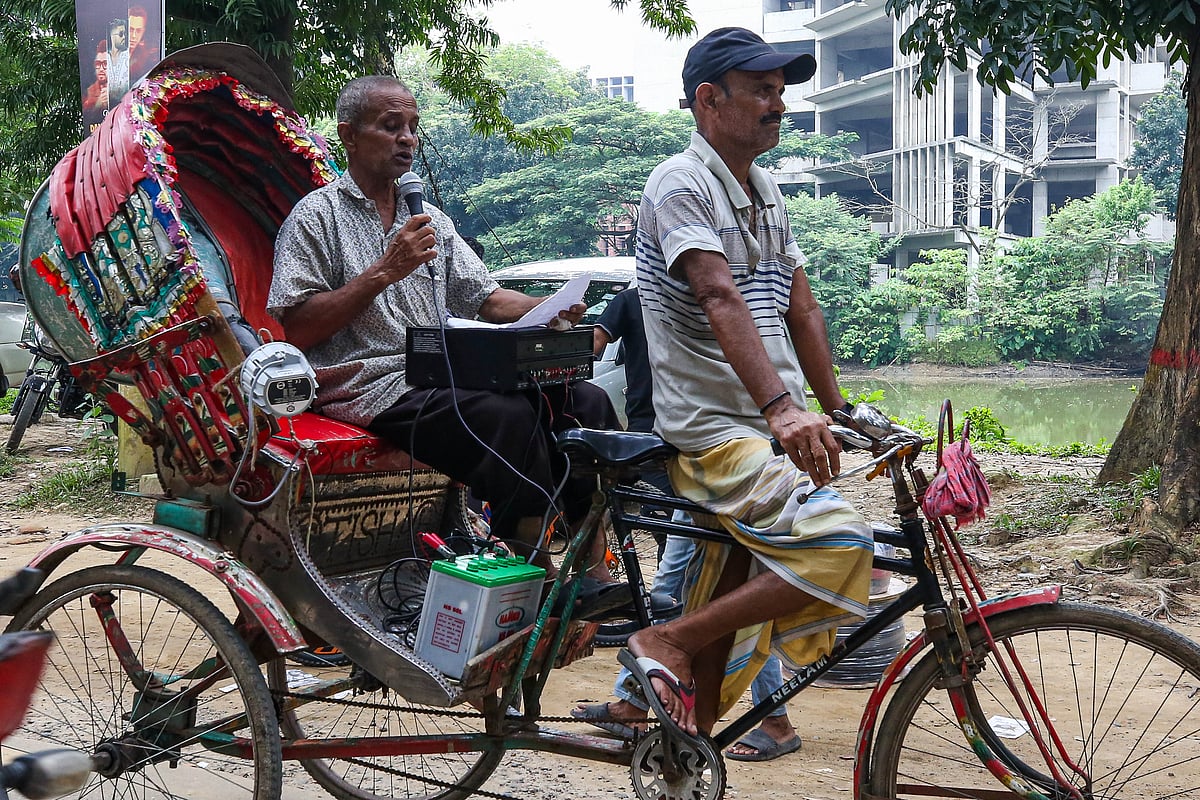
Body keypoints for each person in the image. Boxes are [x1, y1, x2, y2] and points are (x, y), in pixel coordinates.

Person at [267, 75, 625, 616]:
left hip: (439, 372)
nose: (407, 139)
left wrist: (550, 308)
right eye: (391, 127)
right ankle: (534, 573)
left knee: (587, 403)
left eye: (412, 127)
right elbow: (297, 325)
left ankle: (592, 568)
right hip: (370, 386)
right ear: (349, 136)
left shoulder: (430, 218)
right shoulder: (315, 217)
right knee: (505, 417)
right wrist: (386, 270)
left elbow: (484, 297)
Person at [625, 27, 874, 739]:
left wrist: (839, 408)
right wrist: (781, 408)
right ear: (709, 99)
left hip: (765, 429)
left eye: (780, 91)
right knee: (842, 541)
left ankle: (689, 752)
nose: (778, 105)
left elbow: (801, 304)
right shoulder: (680, 183)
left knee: (722, 592)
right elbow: (718, 295)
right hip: (717, 432)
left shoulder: (762, 189)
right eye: (761, 90)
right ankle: (662, 643)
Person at [576, 286, 801, 761]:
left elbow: (591, 346)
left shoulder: (685, 300)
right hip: (698, 448)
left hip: (695, 453)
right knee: (690, 579)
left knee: (703, 578)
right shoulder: (696, 301)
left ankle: (769, 718)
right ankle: (639, 700)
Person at [127, 6, 157, 83]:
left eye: (138, 31)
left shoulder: (148, 58)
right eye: (130, 30)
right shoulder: (112, 53)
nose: (133, 35)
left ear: (143, 31)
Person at [82, 49, 110, 124]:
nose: (101, 69)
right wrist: (98, 104)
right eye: (98, 64)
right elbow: (87, 118)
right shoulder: (88, 92)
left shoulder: (121, 89)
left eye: (105, 64)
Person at [106, 18, 130, 101]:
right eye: (121, 34)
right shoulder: (104, 58)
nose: (124, 37)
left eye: (124, 34)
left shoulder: (129, 56)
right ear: (112, 36)